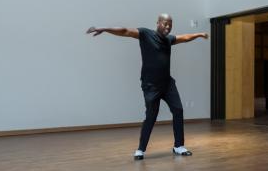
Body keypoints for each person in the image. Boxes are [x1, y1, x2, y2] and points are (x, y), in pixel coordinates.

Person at [86, 14, 208, 160]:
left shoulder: (169, 40)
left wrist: (199, 34)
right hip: (151, 86)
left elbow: (185, 37)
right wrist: (104, 28)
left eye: (170, 25)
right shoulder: (145, 34)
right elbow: (125, 31)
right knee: (151, 116)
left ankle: (179, 146)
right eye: (165, 24)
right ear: (158, 23)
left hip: (168, 84)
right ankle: (140, 149)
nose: (168, 27)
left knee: (178, 110)